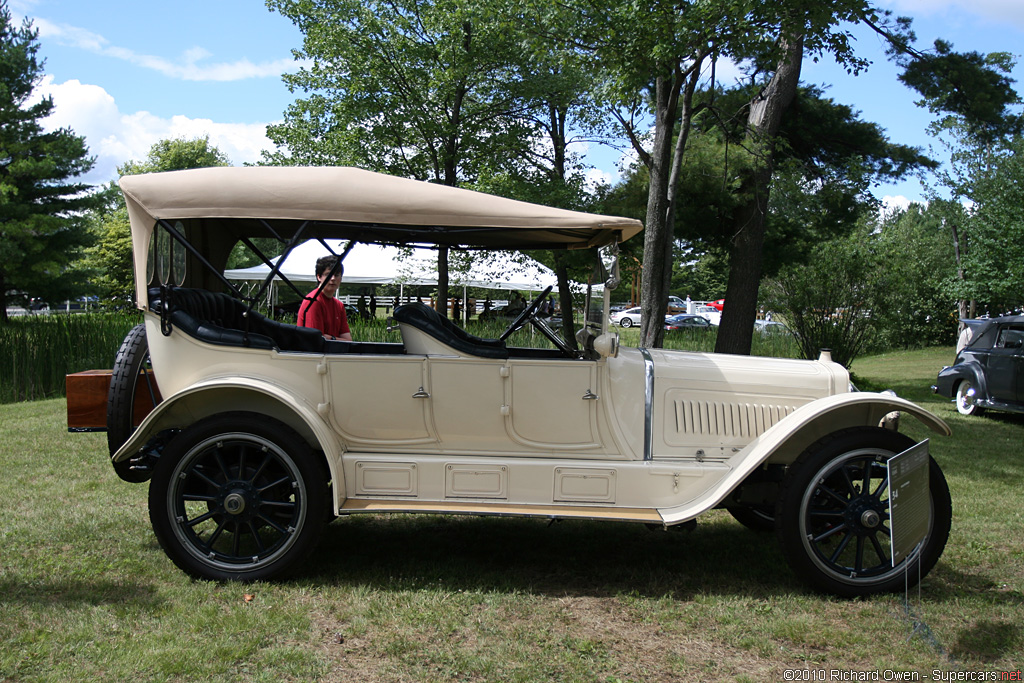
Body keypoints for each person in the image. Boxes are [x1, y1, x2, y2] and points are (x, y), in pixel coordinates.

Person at [298, 255, 352, 341]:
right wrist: (337, 340)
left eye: (337, 275)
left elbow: (348, 341)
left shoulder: (339, 305)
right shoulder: (313, 301)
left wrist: (331, 338)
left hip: (334, 353)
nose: (333, 278)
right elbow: (315, 341)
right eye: (328, 274)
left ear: (341, 278)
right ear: (319, 277)